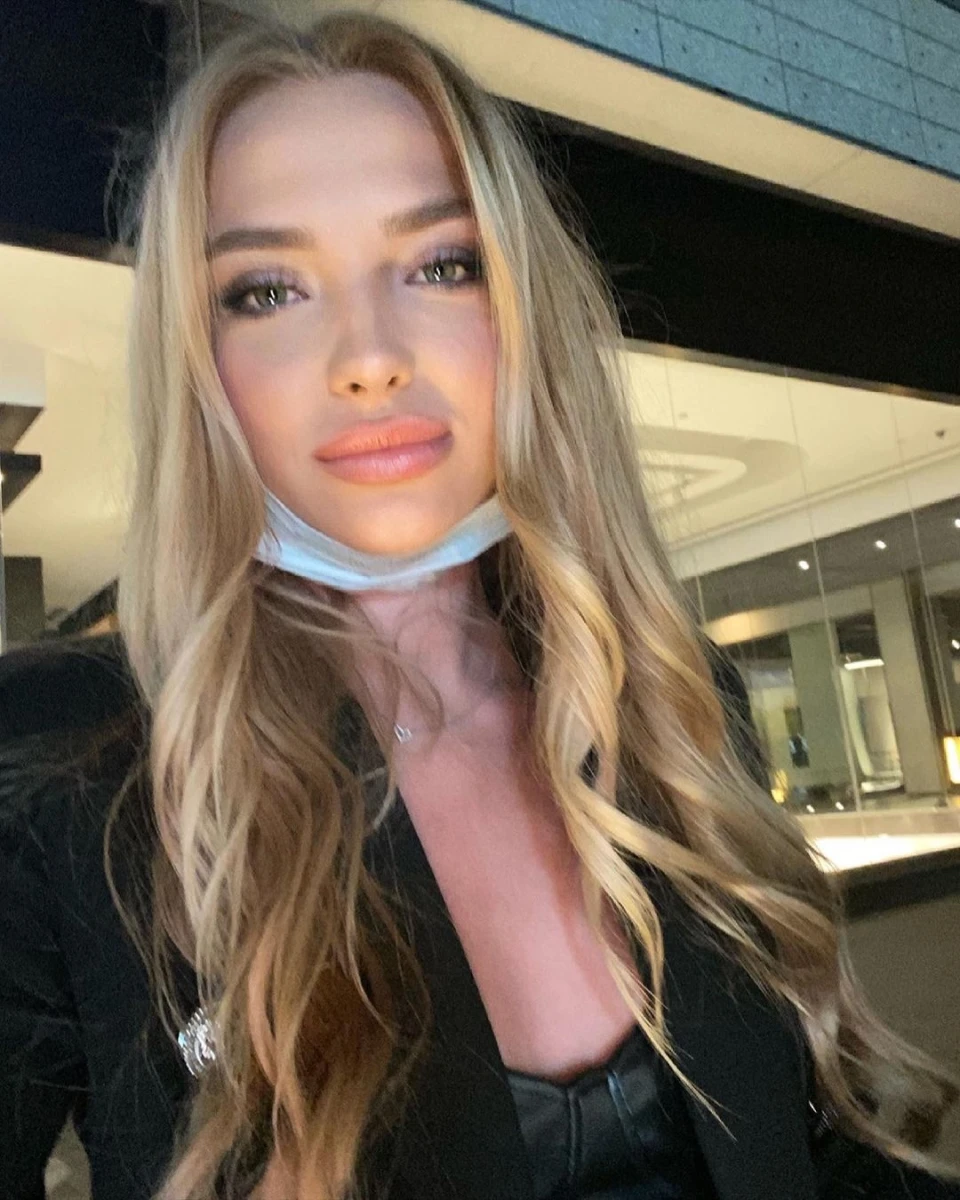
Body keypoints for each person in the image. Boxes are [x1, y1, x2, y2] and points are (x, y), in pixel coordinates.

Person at [1, 13, 958, 1200]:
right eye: (267, 289)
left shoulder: (673, 701)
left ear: (520, 307)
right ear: (196, 359)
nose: (368, 357)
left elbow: (810, 1153)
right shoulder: (66, 768)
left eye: (441, 264)